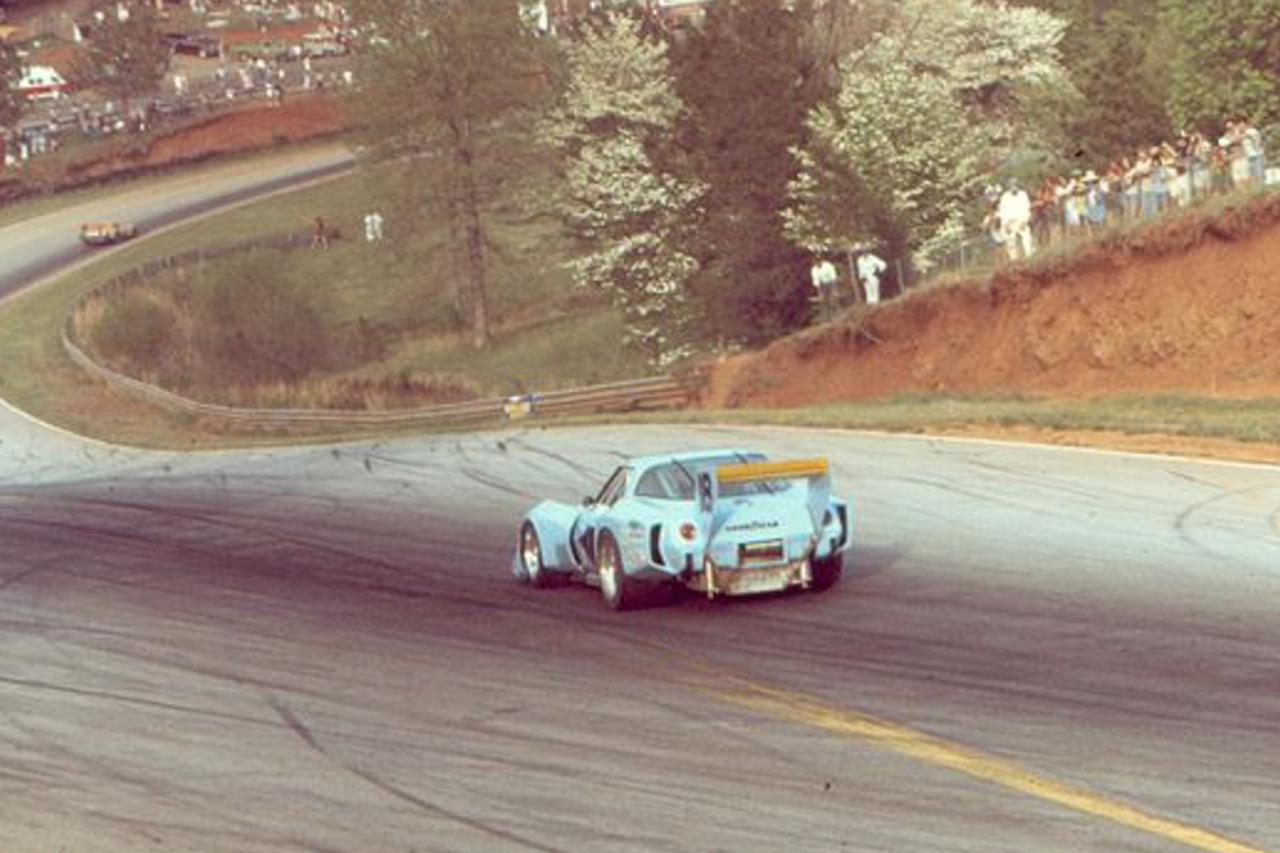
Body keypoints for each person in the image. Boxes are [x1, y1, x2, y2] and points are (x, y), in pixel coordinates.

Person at [997, 178, 1035, 261]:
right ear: (1009, 187)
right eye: (1011, 185)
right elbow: (1002, 211)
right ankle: (1014, 261)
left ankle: (1030, 259)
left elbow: (1027, 208)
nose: (1013, 187)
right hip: (1010, 223)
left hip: (1021, 221)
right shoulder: (1005, 197)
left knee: (1027, 241)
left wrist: (1024, 221)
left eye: (1015, 185)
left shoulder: (1023, 195)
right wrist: (1005, 225)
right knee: (1011, 243)